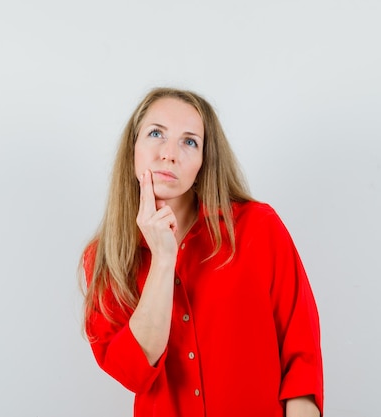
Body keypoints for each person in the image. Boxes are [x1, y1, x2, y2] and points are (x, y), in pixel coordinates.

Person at [80, 87, 323, 417]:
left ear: (204, 161)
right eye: (156, 134)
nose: (170, 154)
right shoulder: (104, 258)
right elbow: (133, 372)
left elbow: (301, 357)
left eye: (189, 141)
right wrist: (163, 260)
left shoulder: (258, 228)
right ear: (132, 148)